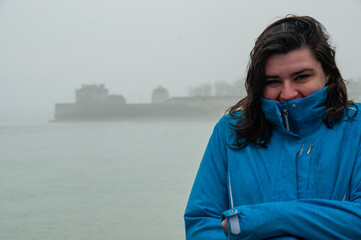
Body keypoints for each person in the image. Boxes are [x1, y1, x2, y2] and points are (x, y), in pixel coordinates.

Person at [184, 15, 361, 239]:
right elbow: (202, 223)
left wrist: (264, 218)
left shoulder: (357, 127)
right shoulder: (229, 131)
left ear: (328, 73)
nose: (287, 93)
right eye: (273, 81)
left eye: (302, 77)